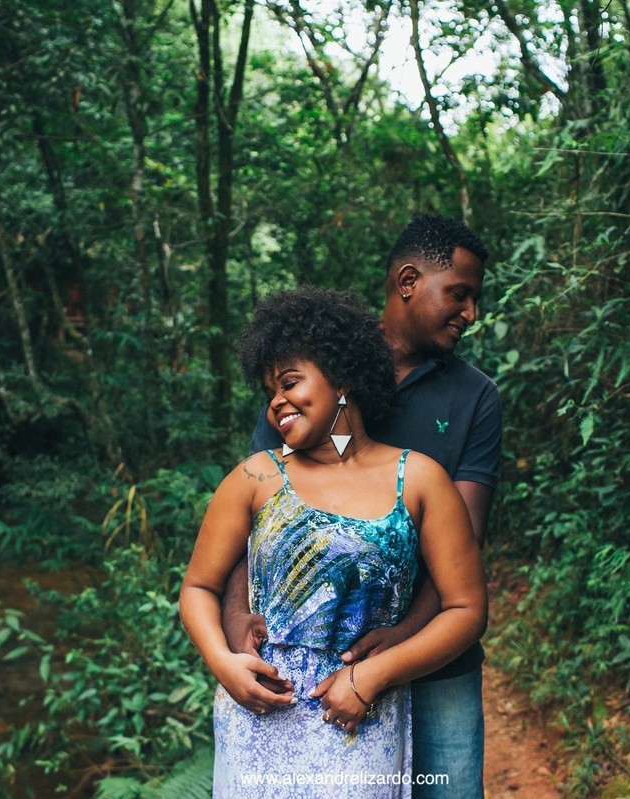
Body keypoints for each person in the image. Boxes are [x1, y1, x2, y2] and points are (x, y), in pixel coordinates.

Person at [179, 287, 487, 797]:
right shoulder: (255, 478)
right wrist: (222, 662)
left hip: (359, 722)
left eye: (290, 382)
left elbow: (466, 609)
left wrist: (373, 677)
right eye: (269, 392)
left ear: (341, 377)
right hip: (257, 723)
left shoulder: (420, 480)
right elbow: (198, 587)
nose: (277, 401)